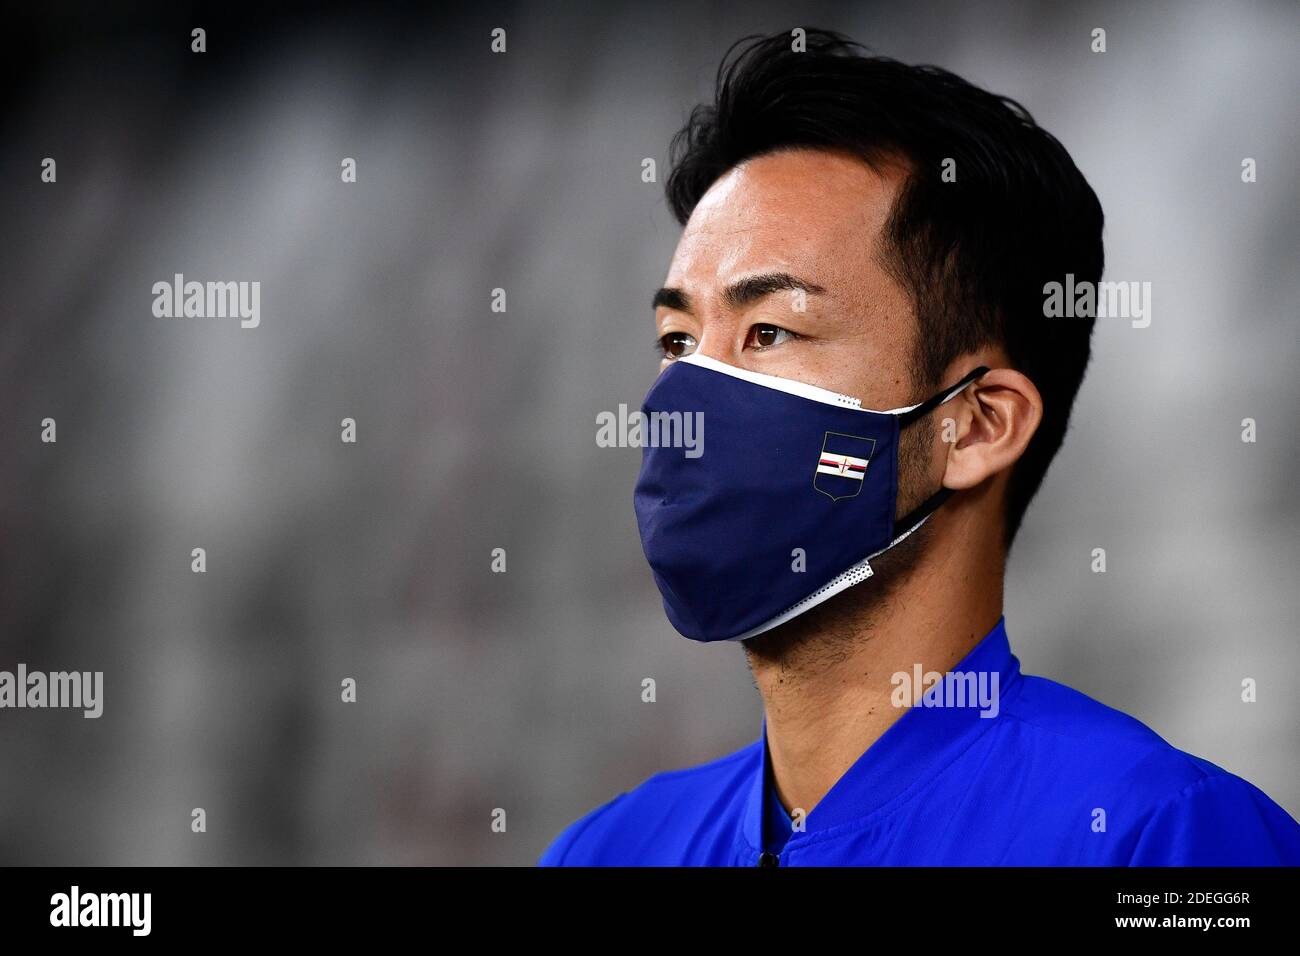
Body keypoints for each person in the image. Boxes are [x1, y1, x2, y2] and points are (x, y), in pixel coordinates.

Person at [541, 29, 1300, 866]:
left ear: (976, 424)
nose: (681, 402)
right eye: (679, 341)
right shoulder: (608, 851)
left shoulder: (1160, 836)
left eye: (769, 331)